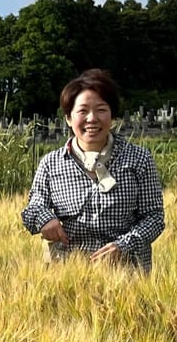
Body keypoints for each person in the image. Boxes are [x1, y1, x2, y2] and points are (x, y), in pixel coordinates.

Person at [21, 69, 165, 271]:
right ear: (69, 118)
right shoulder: (51, 163)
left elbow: (154, 218)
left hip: (128, 275)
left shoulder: (139, 159)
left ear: (112, 116)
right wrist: (45, 219)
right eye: (82, 111)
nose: (92, 118)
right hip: (69, 275)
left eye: (101, 110)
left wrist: (123, 246)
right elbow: (33, 209)